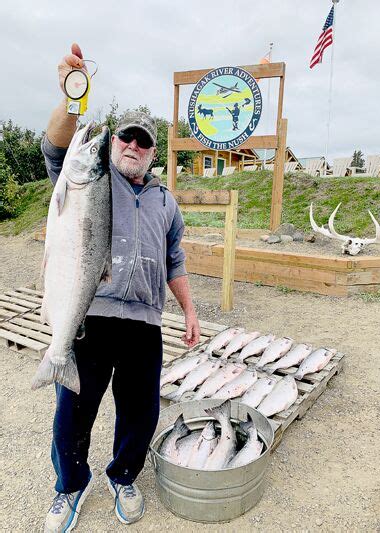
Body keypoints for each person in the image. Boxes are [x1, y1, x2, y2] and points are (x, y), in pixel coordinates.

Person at [41, 43, 200, 532]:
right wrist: (73, 96)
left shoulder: (166, 202)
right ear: (113, 145)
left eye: (144, 141)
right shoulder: (87, 179)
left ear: (153, 152)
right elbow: (56, 148)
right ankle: (69, 487)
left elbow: (175, 261)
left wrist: (189, 311)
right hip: (90, 315)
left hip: (144, 324)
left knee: (141, 413)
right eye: (126, 137)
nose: (133, 145)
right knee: (75, 412)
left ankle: (122, 476)